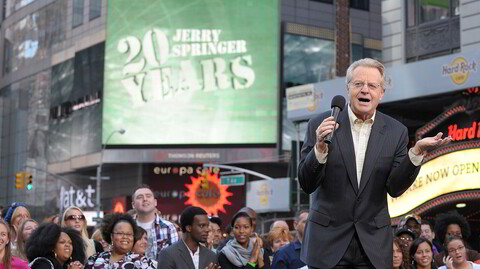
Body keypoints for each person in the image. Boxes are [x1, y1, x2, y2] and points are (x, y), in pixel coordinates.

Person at [298, 58, 451, 269]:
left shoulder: (396, 131)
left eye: (372, 85)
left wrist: (415, 153)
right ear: (348, 88)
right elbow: (306, 183)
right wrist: (320, 149)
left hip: (372, 247)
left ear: (382, 93)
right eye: (358, 84)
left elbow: (395, 188)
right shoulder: (321, 124)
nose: (365, 90)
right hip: (326, 243)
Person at [85, 214, 156, 269]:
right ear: (111, 236)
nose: (125, 237)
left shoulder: (144, 262)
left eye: (129, 234)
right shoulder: (95, 259)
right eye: (120, 233)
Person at [132, 185, 178, 261]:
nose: (145, 199)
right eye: (140, 197)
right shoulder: (127, 227)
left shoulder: (169, 227)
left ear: (155, 202)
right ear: (133, 205)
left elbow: (175, 259)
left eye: (148, 196)